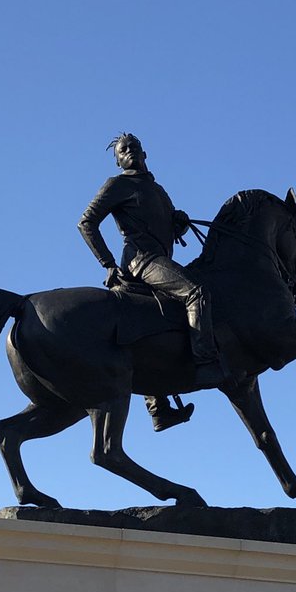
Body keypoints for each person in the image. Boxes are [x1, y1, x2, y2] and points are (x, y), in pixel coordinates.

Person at [78, 133, 225, 431]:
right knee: (196, 292)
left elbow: (165, 227)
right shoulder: (117, 184)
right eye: (123, 150)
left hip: (157, 258)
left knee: (153, 325)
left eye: (134, 147)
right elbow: (87, 222)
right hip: (140, 261)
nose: (129, 151)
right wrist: (107, 263)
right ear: (119, 160)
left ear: (145, 153)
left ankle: (159, 409)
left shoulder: (157, 190)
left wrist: (177, 222)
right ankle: (206, 364)